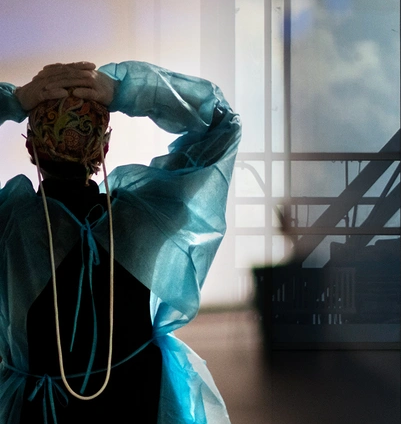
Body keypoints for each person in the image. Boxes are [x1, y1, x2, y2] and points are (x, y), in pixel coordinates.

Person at [0, 60, 241, 424]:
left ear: (31, 148)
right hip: (139, 402)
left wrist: (14, 101)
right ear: (104, 148)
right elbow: (222, 125)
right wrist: (126, 90)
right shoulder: (144, 216)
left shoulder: (8, 227)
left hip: (43, 413)